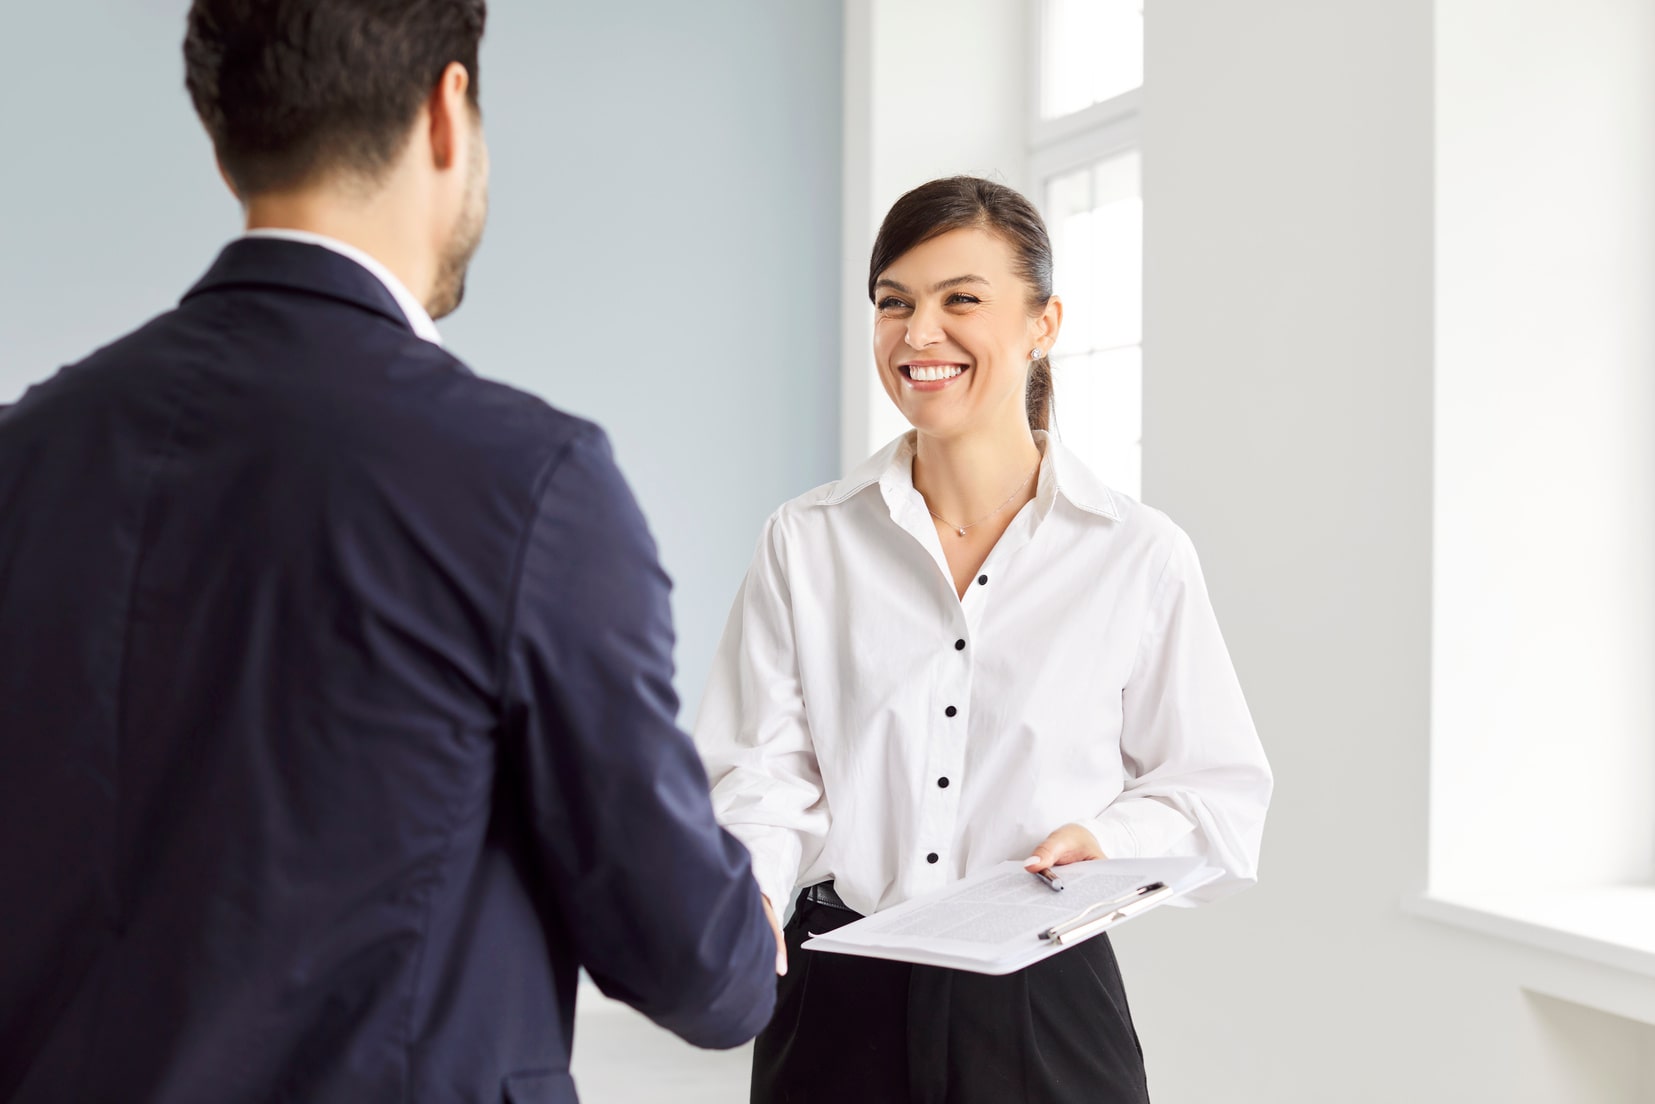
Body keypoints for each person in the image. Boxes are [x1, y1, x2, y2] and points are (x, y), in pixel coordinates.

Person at [0, 3, 778, 1101]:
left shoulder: (26, 455)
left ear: (224, 146)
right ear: (447, 112)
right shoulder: (527, 481)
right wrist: (747, 932)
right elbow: (696, 966)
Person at [697, 176, 1274, 1103]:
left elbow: (1216, 795)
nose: (918, 334)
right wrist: (752, 892)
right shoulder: (805, 540)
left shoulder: (1137, 555)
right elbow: (764, 770)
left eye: (960, 299)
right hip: (835, 996)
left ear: (1043, 322)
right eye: (894, 303)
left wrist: (1105, 835)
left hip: (1043, 1003)